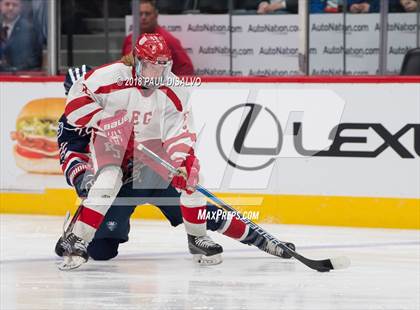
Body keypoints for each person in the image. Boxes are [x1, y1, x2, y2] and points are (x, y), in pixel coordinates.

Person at [58, 34, 294, 270]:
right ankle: (76, 235)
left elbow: (179, 132)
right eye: (150, 66)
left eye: (161, 66)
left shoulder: (173, 89)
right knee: (102, 249)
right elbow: (73, 143)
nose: (156, 74)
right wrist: (85, 173)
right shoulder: (103, 86)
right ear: (138, 61)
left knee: (195, 186)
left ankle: (249, 241)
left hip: (150, 168)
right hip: (117, 170)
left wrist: (181, 161)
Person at [121, 0, 193, 76]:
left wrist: (168, 85)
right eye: (140, 14)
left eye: (147, 14)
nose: (143, 17)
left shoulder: (167, 40)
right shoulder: (129, 39)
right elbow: (123, 66)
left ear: (156, 15)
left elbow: (186, 68)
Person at [0, 0, 42, 71]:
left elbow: (34, 61)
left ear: (21, 7)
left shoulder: (29, 30)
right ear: (0, 6)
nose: (11, 8)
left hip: (19, 77)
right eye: (7, 4)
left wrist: (12, 70)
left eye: (15, 5)